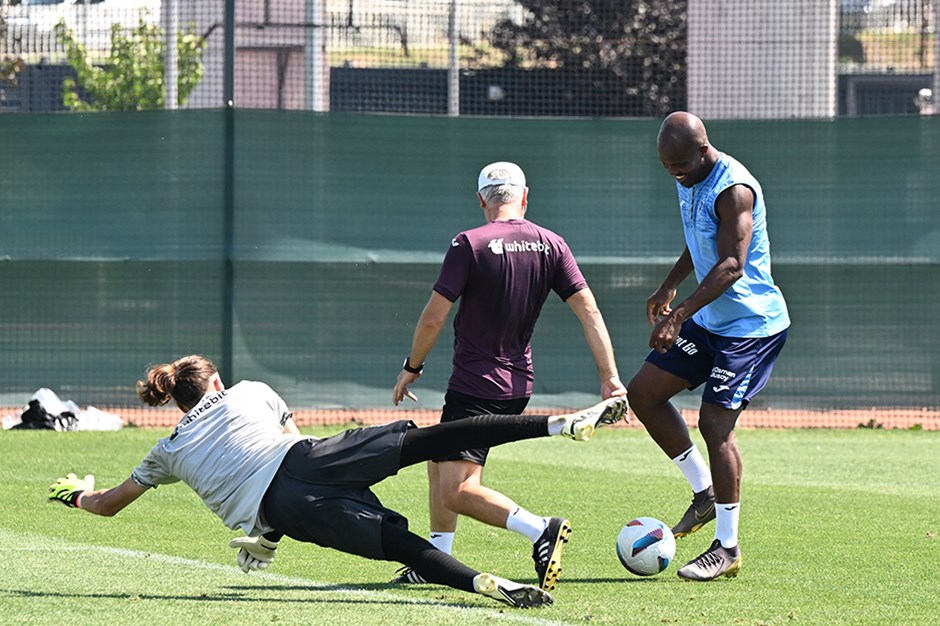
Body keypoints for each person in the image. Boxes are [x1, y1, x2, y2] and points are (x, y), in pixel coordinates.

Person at [47, 354, 629, 609]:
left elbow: (105, 505)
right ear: (217, 382)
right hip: (311, 458)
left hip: (287, 509)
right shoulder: (248, 391)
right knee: (433, 439)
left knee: (403, 547)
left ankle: (484, 584)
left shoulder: (166, 450)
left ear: (175, 400)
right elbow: (290, 439)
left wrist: (75, 494)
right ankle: (561, 423)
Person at [392, 161, 626, 591]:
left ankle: (540, 529)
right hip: (517, 386)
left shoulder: (469, 243)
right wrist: (610, 378)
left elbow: (432, 319)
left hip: (475, 386)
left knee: (457, 491)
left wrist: (412, 367)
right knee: (437, 460)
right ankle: (435, 559)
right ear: (524, 196)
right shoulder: (551, 244)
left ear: (481, 199)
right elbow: (589, 311)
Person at [625, 112, 789, 582]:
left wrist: (678, 317)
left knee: (715, 423)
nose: (676, 175)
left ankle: (728, 546)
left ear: (702, 150)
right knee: (644, 393)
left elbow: (731, 263)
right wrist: (669, 287)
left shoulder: (734, 188)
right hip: (710, 318)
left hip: (749, 328)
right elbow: (699, 240)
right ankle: (704, 493)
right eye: (667, 169)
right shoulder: (688, 175)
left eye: (680, 167)